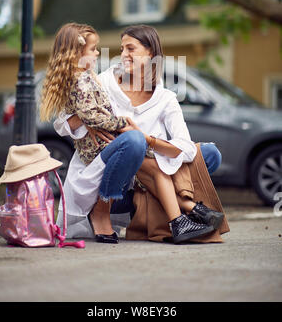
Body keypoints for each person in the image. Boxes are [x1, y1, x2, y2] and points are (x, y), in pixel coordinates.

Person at [54, 24, 225, 244]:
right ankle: (182, 210)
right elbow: (61, 124)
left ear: (150, 53)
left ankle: (158, 211)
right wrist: (88, 121)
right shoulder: (103, 82)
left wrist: (149, 140)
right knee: (133, 143)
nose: (123, 55)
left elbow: (187, 148)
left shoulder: (165, 99)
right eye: (122, 48)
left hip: (143, 184)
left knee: (209, 154)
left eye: (130, 49)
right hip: (109, 183)